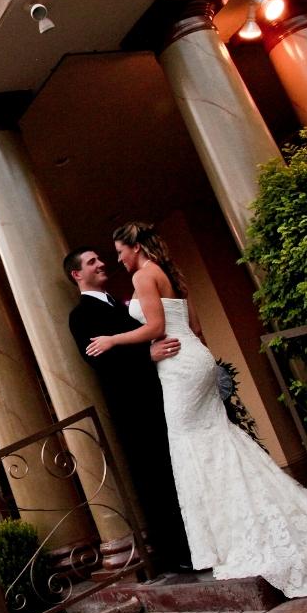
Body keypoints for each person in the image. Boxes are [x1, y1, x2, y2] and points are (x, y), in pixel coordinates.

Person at [85, 221, 307, 598]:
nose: (117, 257)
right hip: (194, 357)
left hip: (178, 367)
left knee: (192, 446)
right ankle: (244, 524)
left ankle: (233, 537)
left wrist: (113, 339)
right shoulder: (167, 272)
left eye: (119, 249)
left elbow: (154, 327)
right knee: (218, 440)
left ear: (134, 247)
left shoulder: (143, 276)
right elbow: (195, 326)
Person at [65, 245, 192, 573]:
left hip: (163, 394)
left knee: (180, 467)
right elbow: (98, 359)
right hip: (133, 406)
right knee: (155, 476)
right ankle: (176, 553)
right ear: (77, 274)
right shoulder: (80, 316)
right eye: (92, 262)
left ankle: (198, 539)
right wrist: (146, 356)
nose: (101, 264)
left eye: (100, 259)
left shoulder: (118, 303)